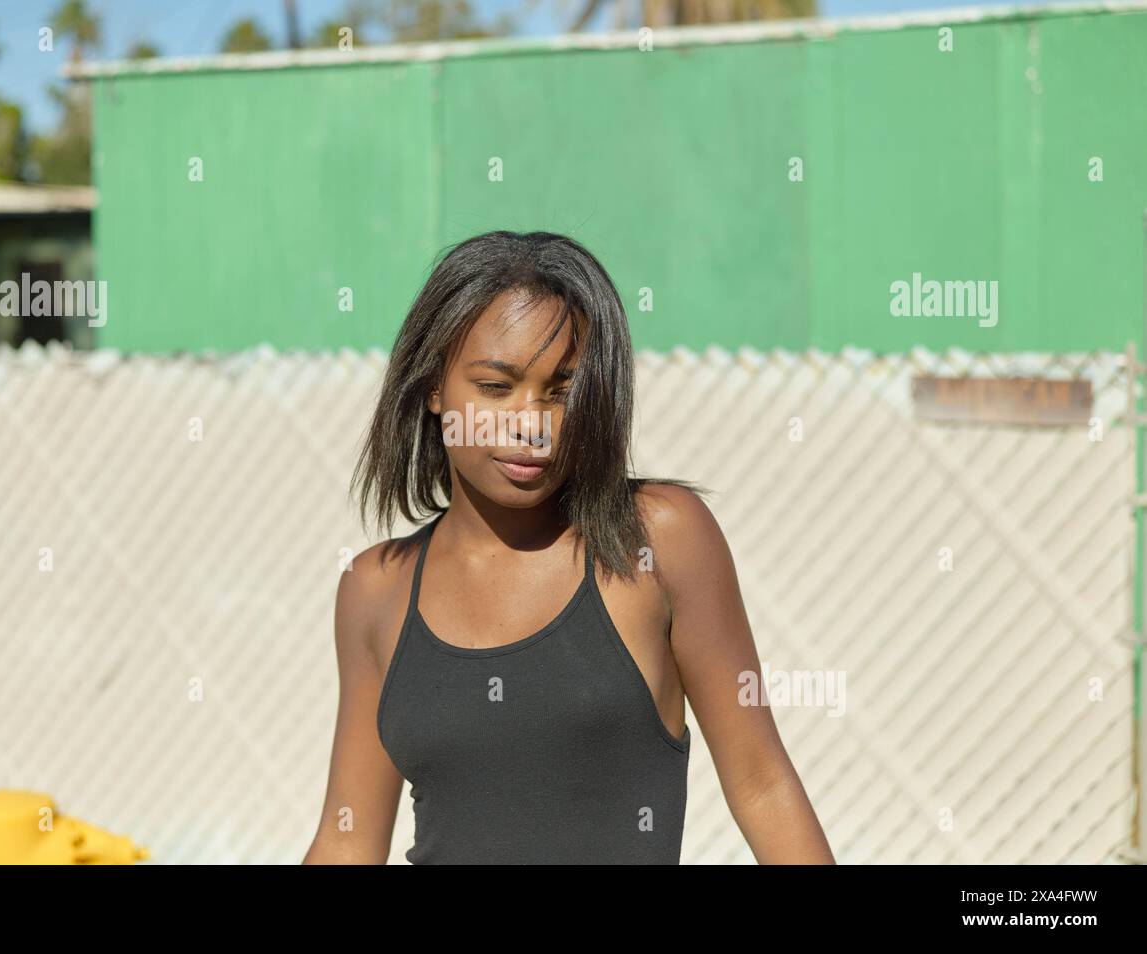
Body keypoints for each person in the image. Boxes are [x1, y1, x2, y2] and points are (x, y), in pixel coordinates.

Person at [303, 230, 834, 864]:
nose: (532, 423)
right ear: (434, 390)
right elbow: (347, 840)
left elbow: (762, 784)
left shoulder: (657, 541)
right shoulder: (374, 588)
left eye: (562, 390)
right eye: (496, 388)